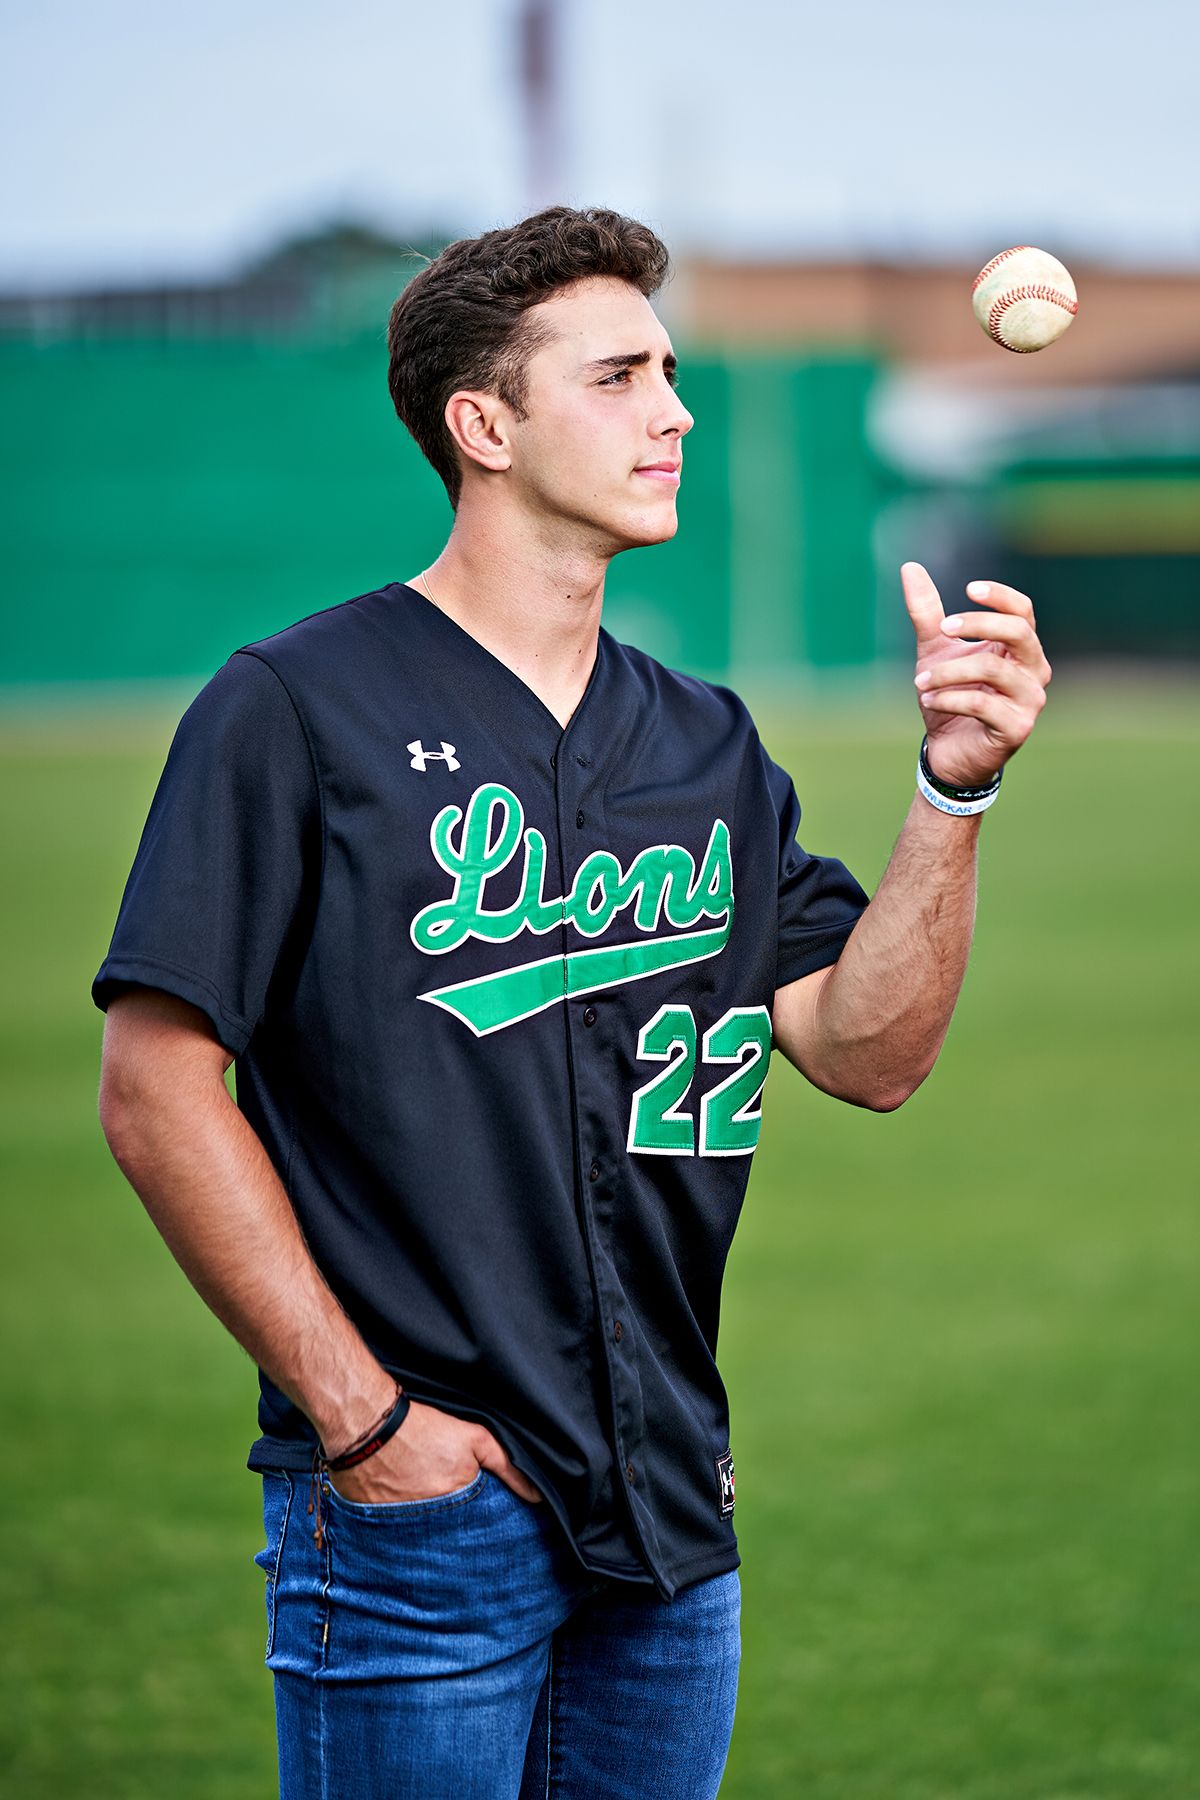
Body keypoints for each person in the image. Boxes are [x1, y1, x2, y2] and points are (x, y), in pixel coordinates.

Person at [92, 205, 1051, 1800]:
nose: (675, 410)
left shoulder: (705, 744)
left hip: (675, 1508)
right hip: (419, 1514)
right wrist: (364, 1423)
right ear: (484, 425)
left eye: (670, 372)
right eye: (618, 376)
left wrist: (954, 797)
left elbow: (867, 1052)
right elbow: (155, 1088)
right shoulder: (295, 709)